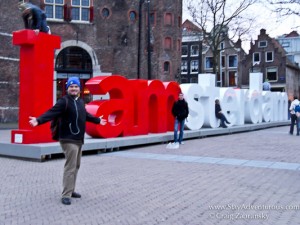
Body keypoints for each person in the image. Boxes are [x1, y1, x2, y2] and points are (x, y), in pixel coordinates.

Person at [29, 77, 107, 205]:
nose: (74, 88)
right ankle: (66, 194)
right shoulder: (63, 102)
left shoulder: (80, 102)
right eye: (71, 86)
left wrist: (98, 120)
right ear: (67, 88)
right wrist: (38, 120)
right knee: (70, 166)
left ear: (79, 89)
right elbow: (51, 112)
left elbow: (86, 115)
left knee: (76, 166)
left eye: (76, 86)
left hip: (78, 139)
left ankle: (71, 190)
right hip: (67, 138)